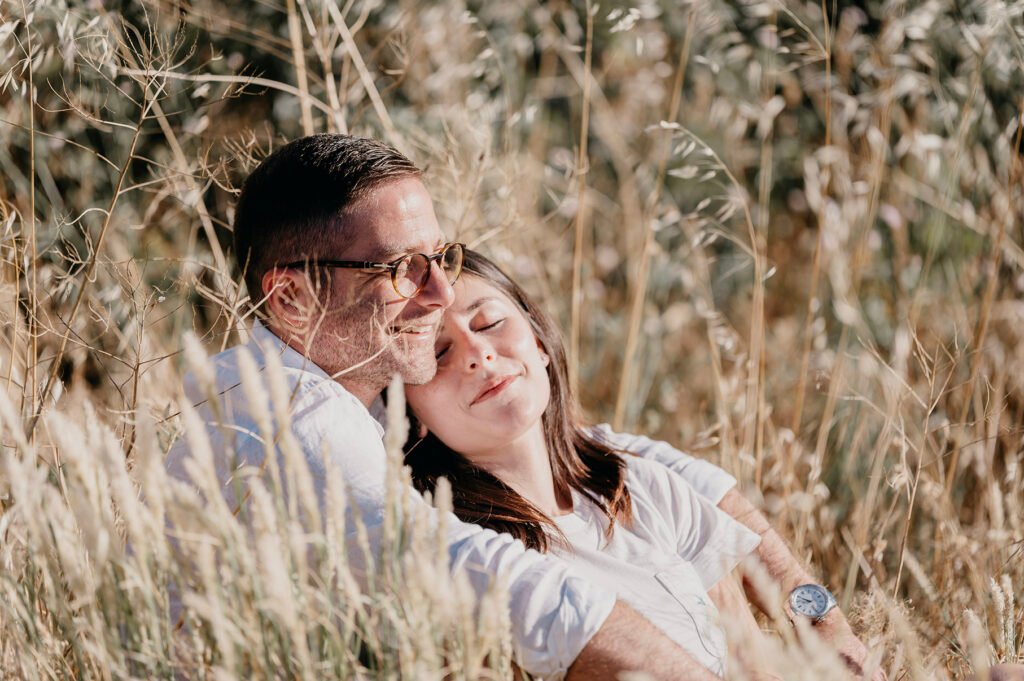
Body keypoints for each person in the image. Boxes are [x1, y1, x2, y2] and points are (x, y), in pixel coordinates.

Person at [167, 133, 730, 680]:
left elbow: (576, 437)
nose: (439, 293)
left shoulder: (325, 389)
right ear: (291, 297)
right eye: (401, 269)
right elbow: (478, 575)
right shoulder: (293, 419)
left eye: (439, 257)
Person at [403, 248, 769, 676]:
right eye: (439, 352)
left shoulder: (644, 487)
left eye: (489, 322)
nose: (477, 353)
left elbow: (754, 664)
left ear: (538, 342)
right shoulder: (471, 565)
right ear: (412, 415)